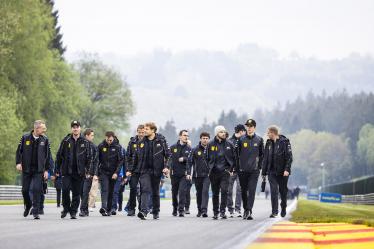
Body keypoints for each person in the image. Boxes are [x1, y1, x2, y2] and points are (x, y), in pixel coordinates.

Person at [128, 122, 170, 220]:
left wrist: (166, 167)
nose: (144, 131)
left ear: (153, 130)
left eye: (147, 129)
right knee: (145, 189)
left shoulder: (161, 140)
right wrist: (131, 170)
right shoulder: (141, 142)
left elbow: (168, 155)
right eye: (144, 129)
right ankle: (144, 211)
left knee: (155, 191)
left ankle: (156, 211)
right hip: (144, 170)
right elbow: (135, 157)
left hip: (157, 170)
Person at [56, 120, 92, 219]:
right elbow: (59, 155)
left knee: (76, 193)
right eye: (73, 127)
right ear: (71, 129)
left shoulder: (85, 142)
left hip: (79, 172)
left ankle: (73, 211)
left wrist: (88, 171)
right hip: (67, 171)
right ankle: (66, 208)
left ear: (80, 128)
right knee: (66, 190)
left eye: (77, 127)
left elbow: (89, 158)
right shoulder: (66, 140)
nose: (75, 129)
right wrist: (57, 170)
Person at [16, 120, 51, 219]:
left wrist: (46, 170)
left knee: (36, 189)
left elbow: (47, 156)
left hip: (38, 169)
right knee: (25, 190)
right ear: (36, 128)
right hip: (26, 168)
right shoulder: (25, 137)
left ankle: (35, 211)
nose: (44, 130)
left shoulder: (45, 139)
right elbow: (19, 151)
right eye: (43, 128)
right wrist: (18, 163)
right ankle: (28, 206)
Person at [262, 125, 293, 218]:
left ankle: (283, 207)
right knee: (274, 191)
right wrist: (263, 172)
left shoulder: (285, 142)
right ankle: (274, 211)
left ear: (273, 133)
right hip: (272, 172)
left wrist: (287, 169)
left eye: (268, 133)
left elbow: (289, 157)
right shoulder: (268, 143)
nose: (267, 134)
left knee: (283, 191)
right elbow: (266, 158)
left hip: (283, 172)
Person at [206, 125, 236, 220]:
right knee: (215, 193)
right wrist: (209, 169)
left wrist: (231, 169)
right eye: (221, 132)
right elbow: (206, 158)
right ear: (217, 133)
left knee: (224, 191)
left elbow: (234, 158)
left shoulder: (229, 144)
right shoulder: (210, 144)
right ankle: (215, 212)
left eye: (224, 131)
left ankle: (223, 211)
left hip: (225, 172)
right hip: (214, 172)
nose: (223, 133)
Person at [236, 119, 264, 220]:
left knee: (251, 190)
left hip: (254, 170)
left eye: (251, 126)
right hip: (242, 170)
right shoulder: (241, 140)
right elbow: (236, 155)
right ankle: (245, 209)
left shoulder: (259, 140)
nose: (249, 128)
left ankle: (249, 210)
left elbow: (262, 155)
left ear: (254, 128)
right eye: (247, 126)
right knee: (244, 190)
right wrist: (237, 168)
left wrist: (259, 167)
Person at [97, 131, 124, 216]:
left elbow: (120, 161)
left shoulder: (118, 147)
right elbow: (97, 160)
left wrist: (116, 173)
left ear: (113, 138)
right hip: (103, 172)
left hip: (113, 173)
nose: (109, 141)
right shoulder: (101, 146)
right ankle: (103, 207)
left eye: (111, 140)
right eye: (108, 140)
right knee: (104, 189)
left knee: (111, 191)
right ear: (105, 137)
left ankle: (108, 209)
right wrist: (96, 173)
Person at [168, 130, 192, 217]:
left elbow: (189, 162)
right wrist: (167, 168)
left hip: (184, 174)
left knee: (182, 192)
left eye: (187, 136)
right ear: (180, 136)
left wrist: (184, 159)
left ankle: (181, 210)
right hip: (174, 173)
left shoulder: (189, 149)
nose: (186, 137)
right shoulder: (173, 147)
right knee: (174, 193)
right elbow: (169, 159)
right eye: (184, 135)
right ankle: (175, 208)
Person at [187, 132, 210, 218]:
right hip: (197, 175)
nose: (205, 140)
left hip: (208, 175)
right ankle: (199, 210)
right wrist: (189, 173)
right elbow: (189, 162)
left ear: (209, 139)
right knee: (199, 193)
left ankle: (204, 210)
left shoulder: (211, 149)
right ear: (200, 139)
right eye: (203, 138)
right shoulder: (195, 149)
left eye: (207, 138)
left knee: (205, 191)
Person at [125, 125, 145, 216]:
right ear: (137, 132)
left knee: (143, 189)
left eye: (142, 132)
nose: (141, 134)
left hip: (144, 169)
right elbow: (127, 156)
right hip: (133, 170)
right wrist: (128, 169)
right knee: (133, 188)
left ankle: (142, 209)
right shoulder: (132, 142)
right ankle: (131, 208)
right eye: (139, 132)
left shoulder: (147, 142)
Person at [79, 128, 98, 217]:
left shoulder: (93, 147)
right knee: (81, 192)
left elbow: (95, 161)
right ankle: (85, 209)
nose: (93, 137)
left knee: (85, 191)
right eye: (92, 135)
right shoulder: (80, 144)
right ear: (86, 136)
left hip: (89, 173)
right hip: (79, 172)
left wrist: (93, 173)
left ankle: (83, 210)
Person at [227, 124, 246, 218]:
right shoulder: (229, 141)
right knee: (228, 190)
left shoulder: (245, 140)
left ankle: (238, 209)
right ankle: (230, 209)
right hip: (231, 170)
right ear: (241, 131)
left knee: (240, 189)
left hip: (241, 169)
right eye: (244, 131)